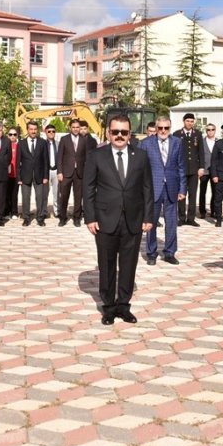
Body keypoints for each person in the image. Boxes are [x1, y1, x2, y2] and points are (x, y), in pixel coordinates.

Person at [83, 114, 154, 325]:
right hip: (105, 220)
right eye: (115, 132)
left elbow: (147, 188)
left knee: (128, 265)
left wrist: (148, 217)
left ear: (130, 134)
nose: (120, 136)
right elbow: (88, 189)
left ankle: (124, 306)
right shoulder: (96, 156)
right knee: (106, 265)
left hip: (133, 220)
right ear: (108, 133)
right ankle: (108, 308)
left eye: (124, 132)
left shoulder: (141, 156)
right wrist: (90, 218)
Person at [140, 117, 186, 265]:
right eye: (160, 128)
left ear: (170, 128)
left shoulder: (177, 143)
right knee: (151, 222)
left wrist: (182, 189)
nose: (163, 131)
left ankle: (170, 252)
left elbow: (181, 167)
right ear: (156, 128)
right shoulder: (146, 144)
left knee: (171, 222)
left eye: (166, 128)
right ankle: (151, 253)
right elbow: (140, 169)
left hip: (171, 188)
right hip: (153, 188)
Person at [173, 113, 204, 227]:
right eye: (188, 121)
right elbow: (174, 152)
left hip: (194, 170)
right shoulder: (177, 134)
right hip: (181, 169)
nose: (190, 123)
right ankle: (181, 218)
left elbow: (201, 152)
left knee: (193, 194)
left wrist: (201, 167)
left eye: (192, 121)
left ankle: (191, 218)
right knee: (181, 194)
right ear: (183, 121)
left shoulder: (198, 134)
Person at [18, 121, 49, 226]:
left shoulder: (42, 142)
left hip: (39, 175)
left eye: (35, 129)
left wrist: (46, 176)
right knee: (25, 197)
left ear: (37, 130)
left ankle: (40, 218)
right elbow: (18, 162)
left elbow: (46, 160)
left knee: (40, 197)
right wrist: (19, 178)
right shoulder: (21, 143)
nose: (33, 131)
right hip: (25, 175)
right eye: (31, 129)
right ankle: (26, 218)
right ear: (27, 130)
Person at [57, 118, 87, 226]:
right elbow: (59, 157)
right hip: (66, 173)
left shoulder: (84, 140)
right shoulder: (64, 139)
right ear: (70, 128)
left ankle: (77, 218)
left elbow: (86, 158)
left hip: (79, 173)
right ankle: (62, 218)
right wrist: (59, 172)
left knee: (78, 197)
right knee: (64, 196)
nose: (75, 129)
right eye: (73, 127)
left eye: (77, 127)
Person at [199, 123, 217, 219]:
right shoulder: (201, 142)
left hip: (215, 171)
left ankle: (213, 211)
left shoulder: (218, 142)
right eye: (208, 130)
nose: (210, 131)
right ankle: (202, 211)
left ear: (215, 130)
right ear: (206, 131)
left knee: (215, 192)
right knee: (203, 192)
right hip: (204, 170)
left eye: (212, 129)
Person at [44, 124, 60, 217]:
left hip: (56, 171)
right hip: (46, 171)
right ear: (45, 132)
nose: (51, 133)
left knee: (57, 193)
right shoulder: (42, 144)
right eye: (49, 131)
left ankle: (57, 211)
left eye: (53, 131)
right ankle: (44, 211)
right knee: (44, 193)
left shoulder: (58, 143)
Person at [5, 127, 20, 219]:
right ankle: (6, 212)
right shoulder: (4, 145)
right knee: (6, 194)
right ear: (8, 135)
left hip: (15, 174)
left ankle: (14, 212)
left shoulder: (19, 146)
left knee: (14, 194)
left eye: (14, 134)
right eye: (10, 134)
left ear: (17, 136)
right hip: (5, 174)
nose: (12, 136)